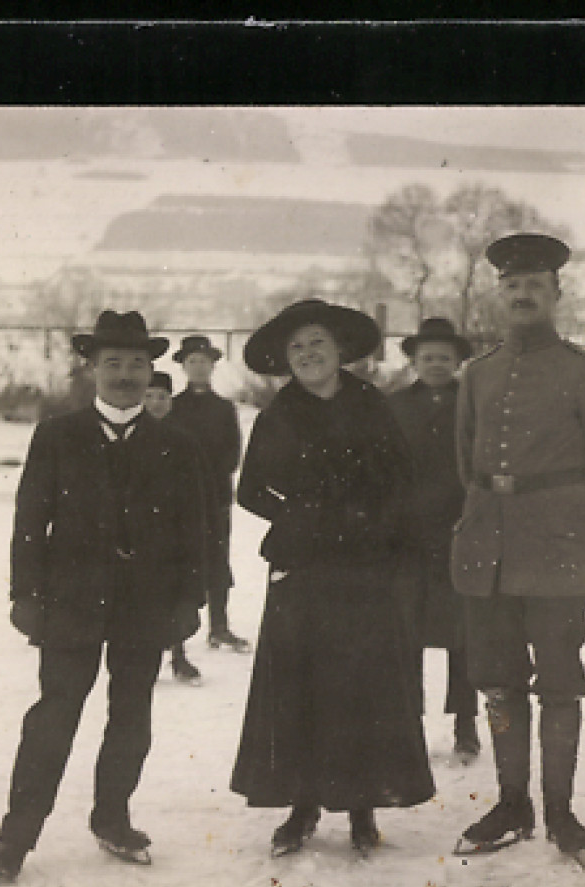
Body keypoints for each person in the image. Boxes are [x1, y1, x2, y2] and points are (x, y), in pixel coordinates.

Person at [0, 311, 208, 885]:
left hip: (146, 605)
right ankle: (16, 837)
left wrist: (189, 600)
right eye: (114, 363)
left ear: (152, 369)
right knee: (53, 718)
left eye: (137, 364)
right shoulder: (57, 434)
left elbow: (194, 529)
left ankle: (113, 819)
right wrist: (25, 594)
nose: (126, 374)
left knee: (131, 716)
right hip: (71, 604)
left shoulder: (176, 444)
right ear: (92, 369)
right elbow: (31, 519)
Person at [229, 299, 435, 858]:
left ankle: (364, 807)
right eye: (296, 347)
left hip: (367, 565)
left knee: (364, 684)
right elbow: (251, 491)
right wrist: (298, 515)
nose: (308, 354)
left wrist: (374, 523)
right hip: (304, 566)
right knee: (302, 685)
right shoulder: (279, 414)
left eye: (317, 343)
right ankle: (302, 806)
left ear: (340, 350)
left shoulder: (372, 406)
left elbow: (402, 481)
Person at [451, 233, 585, 858]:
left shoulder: (583, 372)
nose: (522, 294)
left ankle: (560, 810)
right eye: (512, 285)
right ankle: (511, 802)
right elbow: (465, 462)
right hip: (490, 552)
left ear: (557, 294)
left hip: (558, 551)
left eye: (534, 285)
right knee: (499, 683)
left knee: (558, 682)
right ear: (498, 295)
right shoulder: (478, 373)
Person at [388, 316, 482, 763]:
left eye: (445, 357)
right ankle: (408, 725)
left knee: (462, 634)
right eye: (427, 357)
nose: (436, 364)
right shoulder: (394, 406)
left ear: (458, 361)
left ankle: (467, 725)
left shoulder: (474, 402)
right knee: (406, 634)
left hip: (459, 533)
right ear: (413, 361)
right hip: (407, 538)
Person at [165, 335, 250, 655]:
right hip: (181, 500)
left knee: (217, 560)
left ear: (213, 366)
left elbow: (232, 452)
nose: (198, 367)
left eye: (203, 361)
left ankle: (219, 627)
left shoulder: (224, 408)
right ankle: (176, 632)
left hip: (215, 497)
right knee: (181, 560)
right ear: (184, 367)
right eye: (192, 362)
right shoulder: (174, 407)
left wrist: (213, 483)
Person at [143, 371, 204, 687]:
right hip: (141, 531)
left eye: (162, 397)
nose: (155, 404)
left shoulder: (183, 440)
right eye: (149, 396)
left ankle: (179, 656)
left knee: (176, 594)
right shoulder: (132, 435)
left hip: (173, 531)